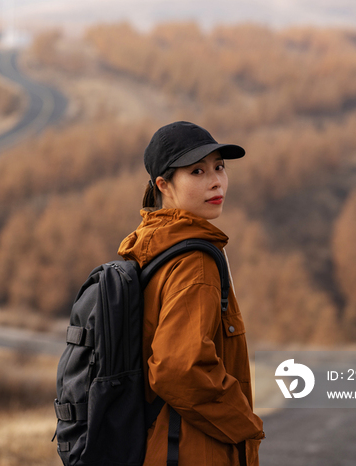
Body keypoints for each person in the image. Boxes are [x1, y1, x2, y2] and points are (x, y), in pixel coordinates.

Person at [118, 121, 265, 465]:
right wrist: (244, 423)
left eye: (219, 167)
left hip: (163, 444)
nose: (216, 181)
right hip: (193, 450)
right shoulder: (194, 262)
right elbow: (178, 367)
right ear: (163, 185)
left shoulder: (155, 246)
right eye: (197, 171)